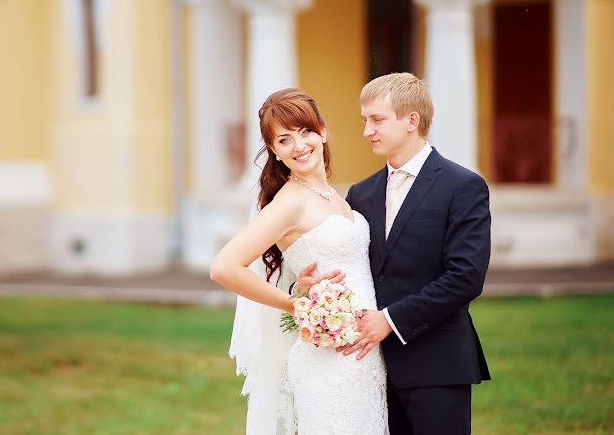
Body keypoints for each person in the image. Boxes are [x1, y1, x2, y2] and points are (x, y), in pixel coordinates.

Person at [299, 72, 491, 435]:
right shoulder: (361, 193)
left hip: (438, 365)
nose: (366, 130)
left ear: (411, 121)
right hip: (371, 370)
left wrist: (390, 320)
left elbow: (465, 277)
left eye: (377, 119)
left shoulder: (463, 186)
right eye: (364, 120)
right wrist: (312, 287)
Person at [210, 88, 388, 435]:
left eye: (305, 132)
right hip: (327, 362)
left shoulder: (334, 197)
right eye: (284, 140)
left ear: (322, 131)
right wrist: (296, 304)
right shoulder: (289, 202)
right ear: (274, 152)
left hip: (363, 358)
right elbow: (224, 267)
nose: (299, 145)